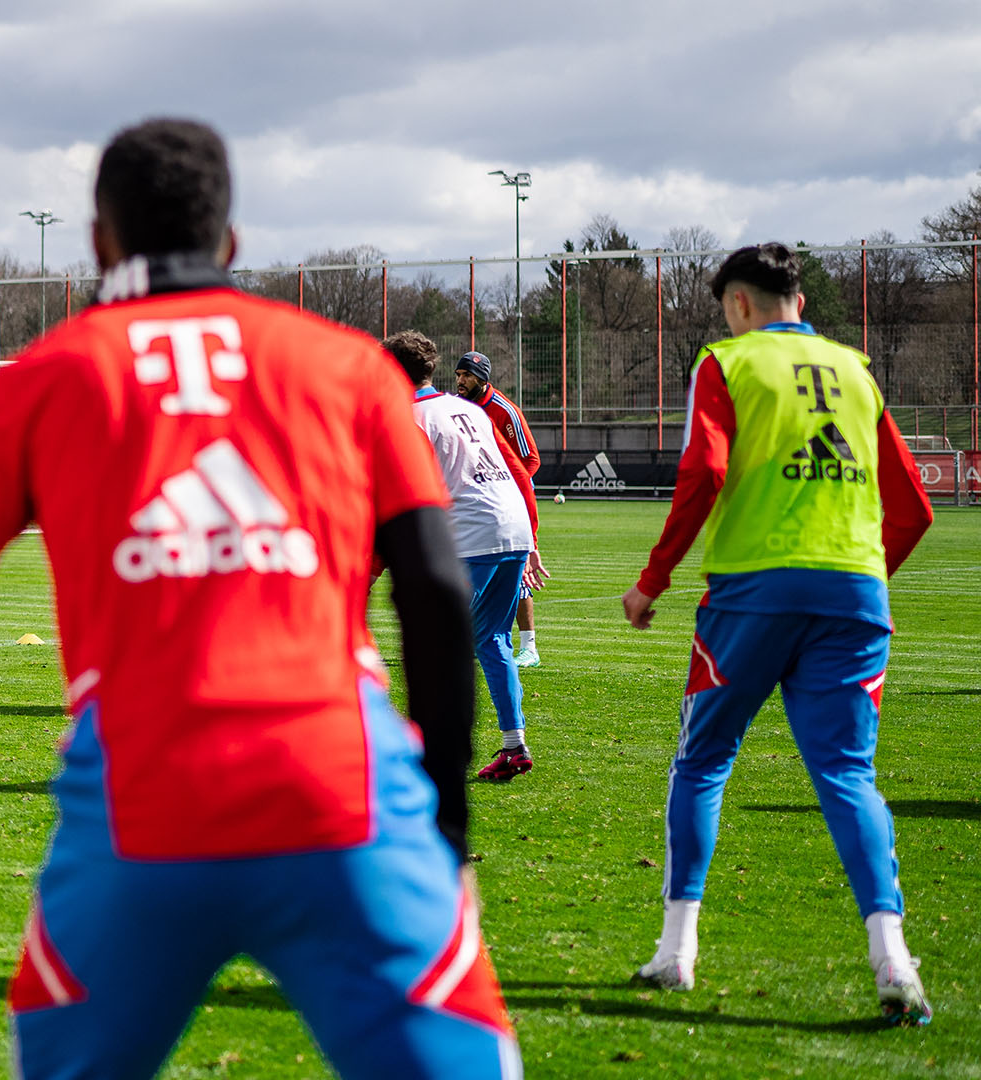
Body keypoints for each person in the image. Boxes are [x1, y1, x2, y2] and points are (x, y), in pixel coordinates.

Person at [0, 118, 519, 1079]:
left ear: (99, 241)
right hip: (347, 801)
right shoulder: (352, 368)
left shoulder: (43, 379)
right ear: (231, 243)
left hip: (139, 811)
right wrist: (446, 840)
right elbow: (437, 597)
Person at [621, 242, 934, 1024]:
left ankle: (677, 953)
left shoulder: (728, 363)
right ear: (799, 298)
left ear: (738, 303)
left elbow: (705, 472)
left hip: (753, 592)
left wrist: (651, 581)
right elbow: (915, 509)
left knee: (701, 763)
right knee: (847, 776)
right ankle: (894, 959)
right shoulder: (858, 372)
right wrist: (858, 583)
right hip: (854, 596)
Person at [393, 333, 548, 781]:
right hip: (511, 528)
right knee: (492, 641)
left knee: (436, 640)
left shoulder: (410, 417)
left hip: (473, 534)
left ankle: (429, 753)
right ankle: (514, 746)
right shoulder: (470, 410)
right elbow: (518, 472)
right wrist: (531, 539)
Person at [453, 352, 545, 668]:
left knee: (517, 574)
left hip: (508, 505)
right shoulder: (457, 407)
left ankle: (529, 647)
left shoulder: (505, 411)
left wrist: (507, 487)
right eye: (458, 375)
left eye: (466, 375)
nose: (460, 381)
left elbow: (531, 460)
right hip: (471, 505)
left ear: (482, 378)